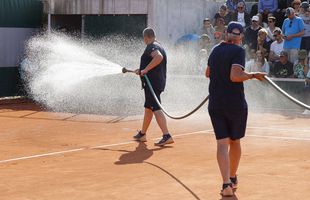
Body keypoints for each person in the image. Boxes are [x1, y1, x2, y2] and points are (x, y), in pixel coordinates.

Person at [205, 21, 266, 197]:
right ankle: (232, 177)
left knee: (222, 144)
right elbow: (235, 76)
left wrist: (219, 77)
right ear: (239, 37)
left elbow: (207, 73)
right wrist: (253, 75)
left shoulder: (215, 50)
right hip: (234, 104)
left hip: (216, 103)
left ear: (226, 34)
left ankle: (226, 184)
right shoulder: (239, 51)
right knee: (235, 141)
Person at [133, 28, 174, 146]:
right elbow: (153, 62)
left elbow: (158, 57)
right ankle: (142, 134)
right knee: (148, 107)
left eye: (144, 39)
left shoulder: (151, 46)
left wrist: (145, 69)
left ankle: (166, 135)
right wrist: (141, 70)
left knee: (155, 108)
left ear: (146, 37)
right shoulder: (159, 45)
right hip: (155, 82)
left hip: (153, 84)